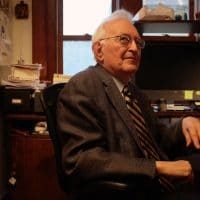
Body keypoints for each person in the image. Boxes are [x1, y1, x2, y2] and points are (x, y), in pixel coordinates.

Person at [57, 9, 200, 200]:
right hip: (131, 191)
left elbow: (158, 138)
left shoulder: (135, 93)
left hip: (161, 186)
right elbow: (82, 160)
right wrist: (158, 167)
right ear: (99, 51)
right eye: (124, 39)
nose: (134, 48)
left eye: (139, 43)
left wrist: (184, 123)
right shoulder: (82, 86)